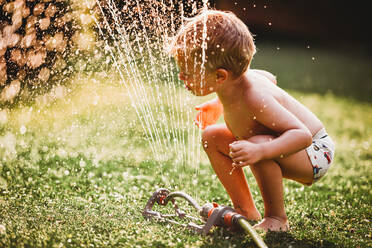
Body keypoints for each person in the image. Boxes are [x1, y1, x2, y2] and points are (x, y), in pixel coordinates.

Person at [169, 10, 335, 232]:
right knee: (212, 136)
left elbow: (302, 135)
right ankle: (246, 210)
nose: (181, 77)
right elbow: (269, 77)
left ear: (220, 76)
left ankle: (277, 218)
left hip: (315, 153)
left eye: (187, 72)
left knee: (257, 143)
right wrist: (217, 105)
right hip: (290, 146)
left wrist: (261, 151)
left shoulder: (254, 98)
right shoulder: (236, 82)